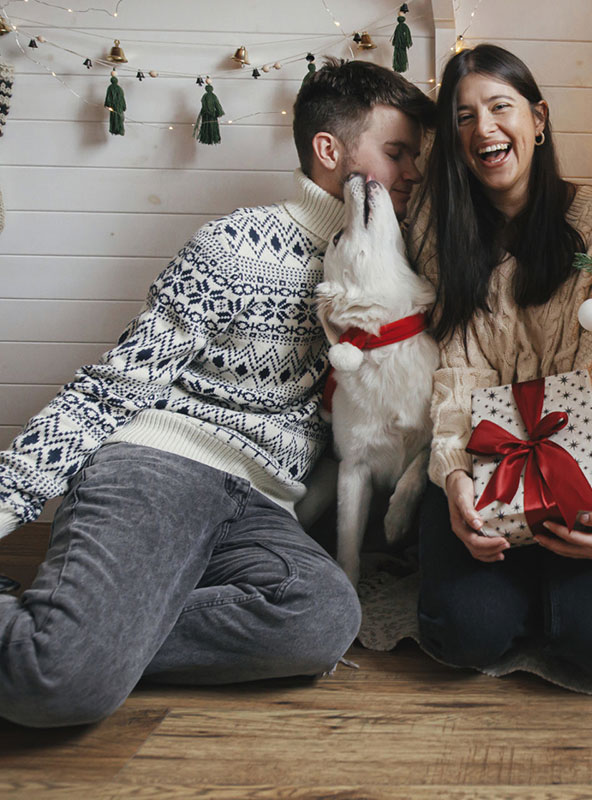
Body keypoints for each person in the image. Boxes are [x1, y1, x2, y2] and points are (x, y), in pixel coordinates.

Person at [0, 59, 436, 728]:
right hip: (162, 467)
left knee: (322, 620)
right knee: (58, 686)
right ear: (330, 151)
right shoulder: (235, 245)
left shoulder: (404, 264)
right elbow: (110, 386)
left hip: (263, 505)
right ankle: (68, 648)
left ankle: (92, 636)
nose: (411, 172)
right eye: (396, 152)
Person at [412, 44, 592, 682]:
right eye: (463, 118)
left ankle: (554, 593)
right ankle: (522, 589)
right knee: (462, 635)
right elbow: (455, 375)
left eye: (500, 108)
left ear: (540, 118)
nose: (484, 130)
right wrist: (453, 478)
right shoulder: (439, 234)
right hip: (485, 466)